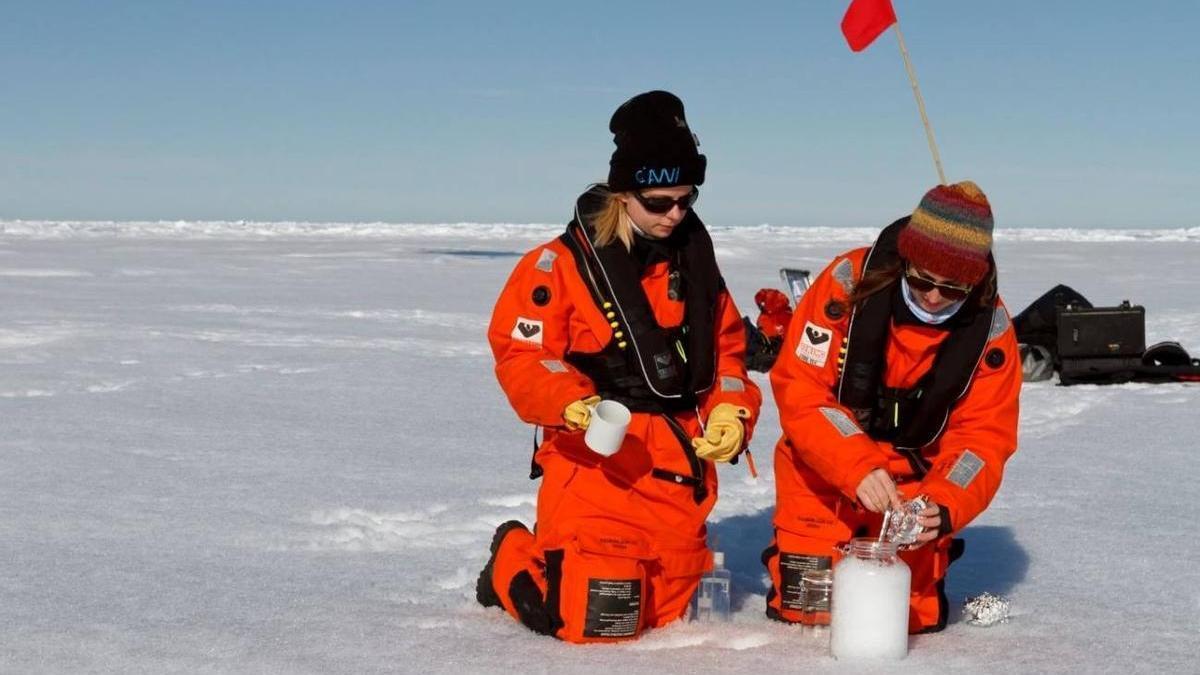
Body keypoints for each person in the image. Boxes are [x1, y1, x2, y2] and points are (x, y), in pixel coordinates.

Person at [476, 91, 762, 643]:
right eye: (659, 202)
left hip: (677, 471)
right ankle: (511, 557)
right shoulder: (556, 267)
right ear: (623, 194)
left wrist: (732, 412)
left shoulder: (697, 268)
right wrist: (570, 403)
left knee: (669, 618)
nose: (675, 214)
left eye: (686, 199)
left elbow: (728, 353)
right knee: (596, 621)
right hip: (596, 467)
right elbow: (522, 354)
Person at [762, 181, 1021, 633]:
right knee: (813, 617)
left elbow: (984, 440)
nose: (934, 297)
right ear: (905, 258)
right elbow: (802, 389)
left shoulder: (990, 335)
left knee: (901, 621)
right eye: (922, 279)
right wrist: (855, 466)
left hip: (915, 490)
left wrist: (942, 507)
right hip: (824, 469)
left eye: (953, 287)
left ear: (974, 282)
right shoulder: (846, 284)